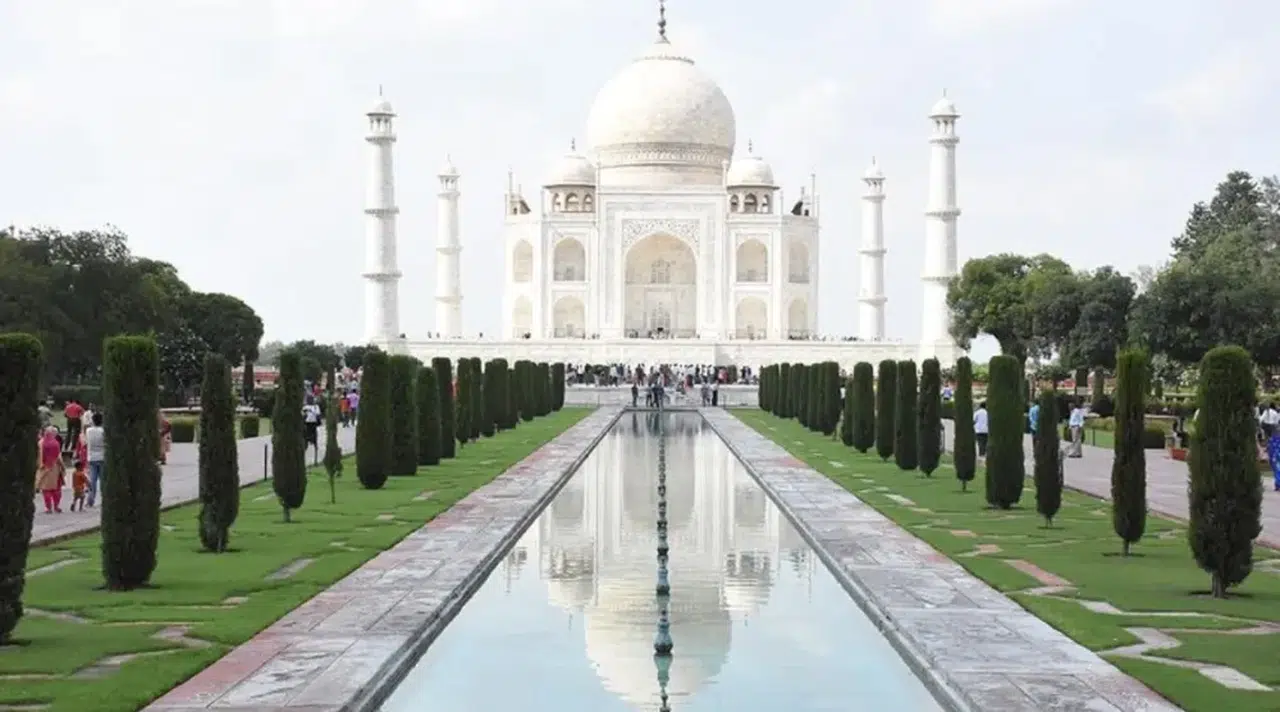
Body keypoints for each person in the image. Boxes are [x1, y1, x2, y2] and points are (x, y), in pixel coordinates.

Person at [35, 428, 64, 513]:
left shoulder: (40, 443)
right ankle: (56, 506)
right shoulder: (55, 443)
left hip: (44, 469)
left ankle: (48, 508)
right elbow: (59, 457)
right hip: (55, 469)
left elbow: (38, 456)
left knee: (46, 490)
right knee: (56, 490)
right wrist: (63, 468)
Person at [83, 412, 106, 507]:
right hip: (102, 456)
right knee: (103, 481)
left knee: (92, 481)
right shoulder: (103, 431)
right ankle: (105, 499)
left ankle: (90, 500)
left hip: (92, 457)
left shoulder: (89, 431)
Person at [1269, 427, 1280, 492]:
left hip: (1275, 457)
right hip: (1276, 457)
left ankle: (1278, 485)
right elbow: (1271, 448)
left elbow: (1270, 448)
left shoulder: (1273, 439)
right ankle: (1277, 485)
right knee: (1277, 471)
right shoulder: (1273, 439)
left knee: (1277, 471)